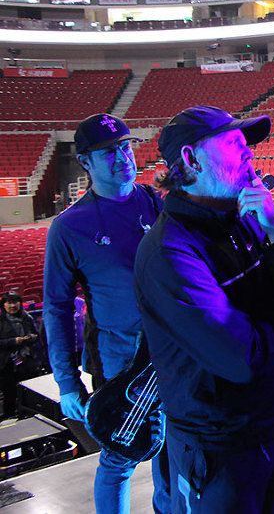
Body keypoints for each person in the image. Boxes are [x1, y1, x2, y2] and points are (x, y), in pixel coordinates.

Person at [134, 105, 274, 513]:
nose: (248, 151)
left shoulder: (246, 218)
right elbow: (242, 358)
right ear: (191, 159)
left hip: (268, 428)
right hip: (215, 452)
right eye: (234, 143)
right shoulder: (168, 252)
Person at [43, 113, 169, 514]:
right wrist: (66, 383)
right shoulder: (69, 227)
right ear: (85, 162)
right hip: (119, 365)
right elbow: (57, 308)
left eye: (125, 147)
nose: (123, 157)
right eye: (108, 152)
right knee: (119, 459)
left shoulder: (155, 202)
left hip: (172, 354)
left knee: (173, 452)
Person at [0, 290, 41, 418]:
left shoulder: (27, 318)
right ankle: (10, 416)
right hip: (6, 363)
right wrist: (13, 341)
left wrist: (31, 338)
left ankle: (32, 414)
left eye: (15, 302)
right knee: (9, 392)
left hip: (26, 359)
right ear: (4, 305)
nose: (13, 305)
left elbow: (36, 335)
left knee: (30, 389)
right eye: (9, 303)